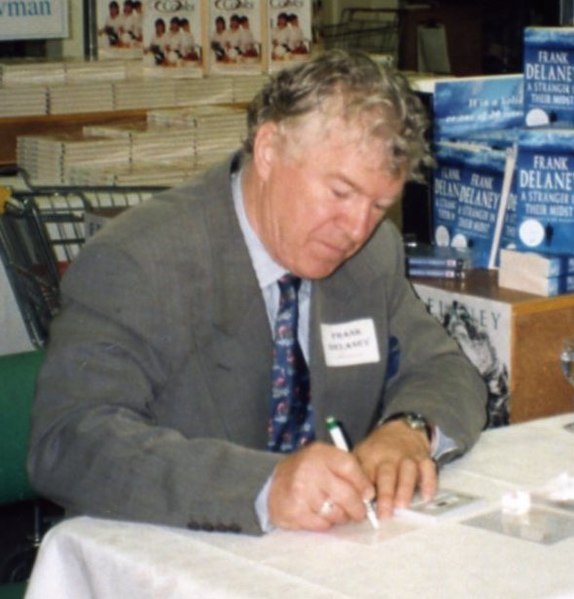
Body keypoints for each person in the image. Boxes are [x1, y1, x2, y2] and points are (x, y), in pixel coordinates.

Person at [28, 50, 487, 536]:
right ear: (268, 150)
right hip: (169, 556)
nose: (356, 228)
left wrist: (410, 429)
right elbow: (68, 442)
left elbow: (445, 369)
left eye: (378, 205)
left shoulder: (372, 254)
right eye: (340, 193)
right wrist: (264, 486)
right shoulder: (138, 260)